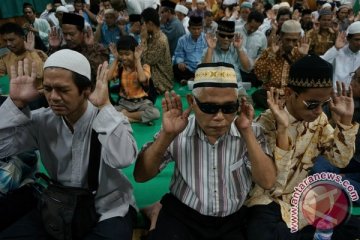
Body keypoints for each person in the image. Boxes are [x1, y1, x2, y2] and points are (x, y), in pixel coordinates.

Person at [0, 49, 137, 239]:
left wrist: (105, 107)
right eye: (48, 89)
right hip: (59, 205)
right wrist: (16, 103)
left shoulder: (109, 120)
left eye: (63, 90)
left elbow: (123, 159)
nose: (53, 97)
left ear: (86, 89)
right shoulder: (42, 121)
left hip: (107, 208)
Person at [134, 62, 277, 240]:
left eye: (228, 108)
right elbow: (141, 176)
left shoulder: (250, 130)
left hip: (232, 219)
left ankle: (155, 213)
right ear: (192, 102)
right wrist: (167, 136)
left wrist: (246, 133)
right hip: (184, 214)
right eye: (209, 108)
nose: (219, 117)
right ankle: (157, 214)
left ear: (238, 105)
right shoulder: (178, 130)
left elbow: (268, 181)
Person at [246, 55, 359, 240]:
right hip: (267, 200)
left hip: (302, 197)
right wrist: (282, 131)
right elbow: (275, 186)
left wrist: (345, 122)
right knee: (262, 233)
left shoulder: (318, 119)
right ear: (290, 93)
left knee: (352, 223)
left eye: (324, 104)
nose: (319, 111)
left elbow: (340, 160)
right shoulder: (265, 123)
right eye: (312, 104)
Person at [312, 66, 360, 206]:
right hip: (336, 158)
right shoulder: (340, 99)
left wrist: (345, 177)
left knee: (328, 184)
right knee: (315, 170)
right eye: (353, 76)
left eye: (357, 79)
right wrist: (335, 123)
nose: (352, 82)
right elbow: (318, 134)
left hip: (356, 171)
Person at [253, 20, 309, 109]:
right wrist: (272, 55)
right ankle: (282, 108)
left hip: (291, 95)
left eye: (294, 40)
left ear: (299, 38)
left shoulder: (300, 53)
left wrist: (303, 57)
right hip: (272, 93)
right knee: (258, 95)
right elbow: (260, 76)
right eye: (287, 39)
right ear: (281, 36)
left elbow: (306, 79)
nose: (290, 44)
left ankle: (278, 108)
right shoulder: (270, 51)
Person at [109, 36, 160, 124]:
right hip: (124, 103)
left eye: (127, 54)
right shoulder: (121, 67)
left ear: (135, 52)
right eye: (121, 54)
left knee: (155, 113)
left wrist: (137, 59)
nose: (124, 58)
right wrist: (116, 59)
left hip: (142, 103)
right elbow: (108, 78)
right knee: (108, 113)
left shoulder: (144, 66)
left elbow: (142, 79)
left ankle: (127, 116)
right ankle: (135, 119)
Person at [48, 12, 109, 86]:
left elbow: (99, 74)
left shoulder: (98, 49)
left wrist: (90, 48)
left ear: (83, 32)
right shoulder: (63, 50)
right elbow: (52, 72)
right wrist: (54, 49)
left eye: (72, 34)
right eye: (65, 34)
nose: (68, 38)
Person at [141, 7, 173, 94]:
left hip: (162, 83)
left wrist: (143, 40)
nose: (142, 27)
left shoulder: (160, 40)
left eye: (143, 24)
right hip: (154, 77)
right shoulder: (153, 36)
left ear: (150, 23)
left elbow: (147, 60)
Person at [321, 21, 360, 88]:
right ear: (348, 39)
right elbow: (321, 64)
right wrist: (335, 48)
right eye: (357, 39)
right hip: (337, 94)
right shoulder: (337, 52)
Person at [173, 16, 207, 85]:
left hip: (202, 68)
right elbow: (179, 54)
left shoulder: (206, 39)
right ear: (189, 28)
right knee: (175, 67)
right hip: (188, 68)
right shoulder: (182, 40)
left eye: (198, 29)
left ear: (202, 29)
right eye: (194, 29)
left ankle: (188, 79)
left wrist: (201, 65)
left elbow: (209, 54)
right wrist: (180, 62)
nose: (196, 31)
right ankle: (193, 78)